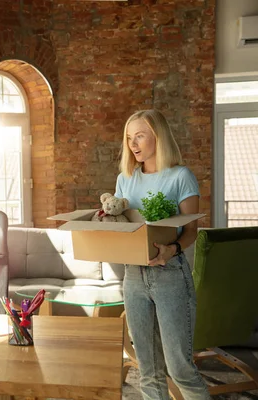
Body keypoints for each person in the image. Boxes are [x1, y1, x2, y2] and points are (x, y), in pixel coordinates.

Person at [115, 109, 211, 400]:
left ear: (158, 136)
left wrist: (172, 249)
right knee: (148, 369)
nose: (133, 144)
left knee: (180, 368)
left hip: (170, 275)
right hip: (133, 276)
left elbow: (191, 230)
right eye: (129, 138)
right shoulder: (125, 178)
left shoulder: (181, 176)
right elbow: (123, 225)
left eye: (140, 136)